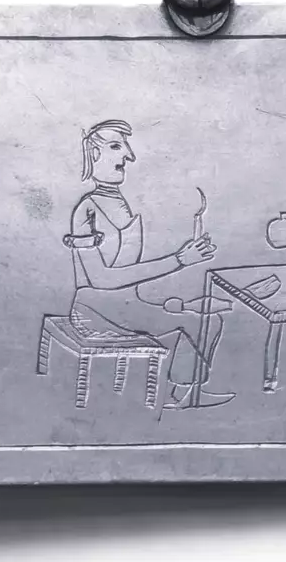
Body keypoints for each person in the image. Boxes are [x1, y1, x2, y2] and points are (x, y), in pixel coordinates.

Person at [65, 119, 234, 410]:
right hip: (95, 310)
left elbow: (130, 276)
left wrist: (182, 296)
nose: (128, 156)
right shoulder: (86, 210)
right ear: (94, 153)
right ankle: (181, 397)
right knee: (193, 323)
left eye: (126, 147)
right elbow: (101, 279)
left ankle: (183, 393)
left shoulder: (120, 202)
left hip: (126, 306)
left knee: (210, 317)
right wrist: (179, 261)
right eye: (116, 146)